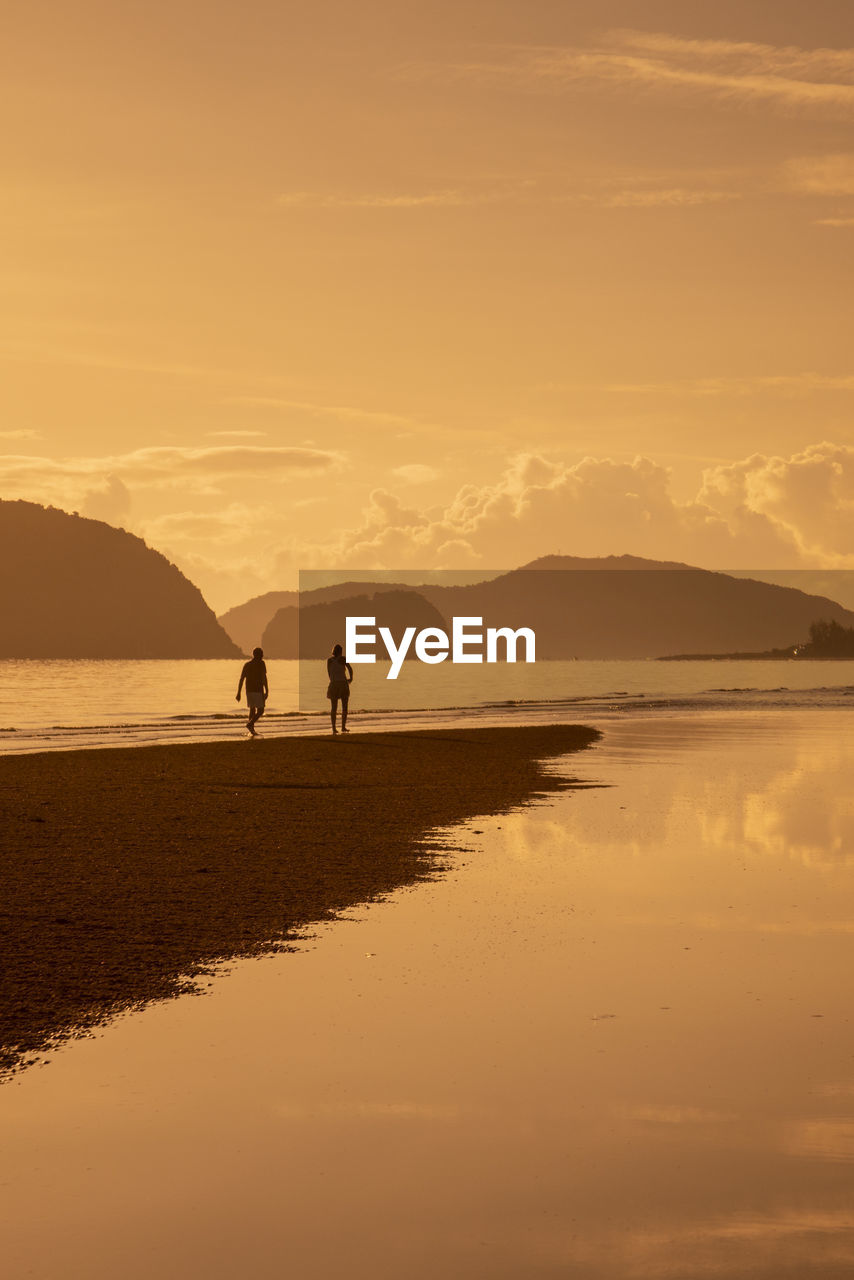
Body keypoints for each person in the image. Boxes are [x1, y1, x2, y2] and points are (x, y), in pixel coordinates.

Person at [236, 647, 268, 736]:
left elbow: (241, 679)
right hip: (257, 690)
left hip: (249, 690)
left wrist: (239, 693)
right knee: (260, 710)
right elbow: (264, 678)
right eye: (261, 654)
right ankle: (250, 724)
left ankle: (251, 730)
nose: (262, 656)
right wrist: (267, 690)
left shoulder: (247, 664)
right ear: (257, 655)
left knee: (252, 709)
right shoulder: (261, 664)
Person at [326, 643, 353, 735]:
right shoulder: (343, 659)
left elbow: (329, 673)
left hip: (333, 684)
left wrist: (333, 680)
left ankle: (334, 728)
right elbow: (350, 668)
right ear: (340, 652)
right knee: (344, 707)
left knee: (334, 708)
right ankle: (343, 727)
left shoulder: (329, 660)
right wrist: (351, 678)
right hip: (342, 684)